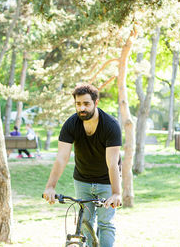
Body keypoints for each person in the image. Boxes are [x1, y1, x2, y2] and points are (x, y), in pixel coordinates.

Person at [43, 83, 122, 247]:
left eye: (86, 103)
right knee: (85, 222)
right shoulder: (71, 124)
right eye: (78, 104)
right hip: (82, 179)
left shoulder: (110, 126)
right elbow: (61, 158)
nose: (82, 108)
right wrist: (50, 187)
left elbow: (112, 164)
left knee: (106, 224)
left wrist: (116, 193)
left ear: (96, 103)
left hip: (107, 180)